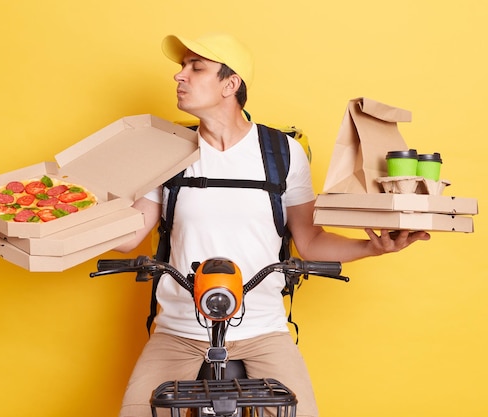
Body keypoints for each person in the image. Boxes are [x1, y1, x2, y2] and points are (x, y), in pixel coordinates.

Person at [114, 32, 430, 417]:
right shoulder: (166, 150)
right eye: (181, 68)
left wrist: (374, 246)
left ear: (231, 85)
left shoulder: (282, 152)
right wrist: (70, 218)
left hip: (262, 330)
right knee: (136, 411)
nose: (179, 76)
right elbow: (130, 237)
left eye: (196, 67)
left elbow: (310, 241)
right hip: (179, 331)